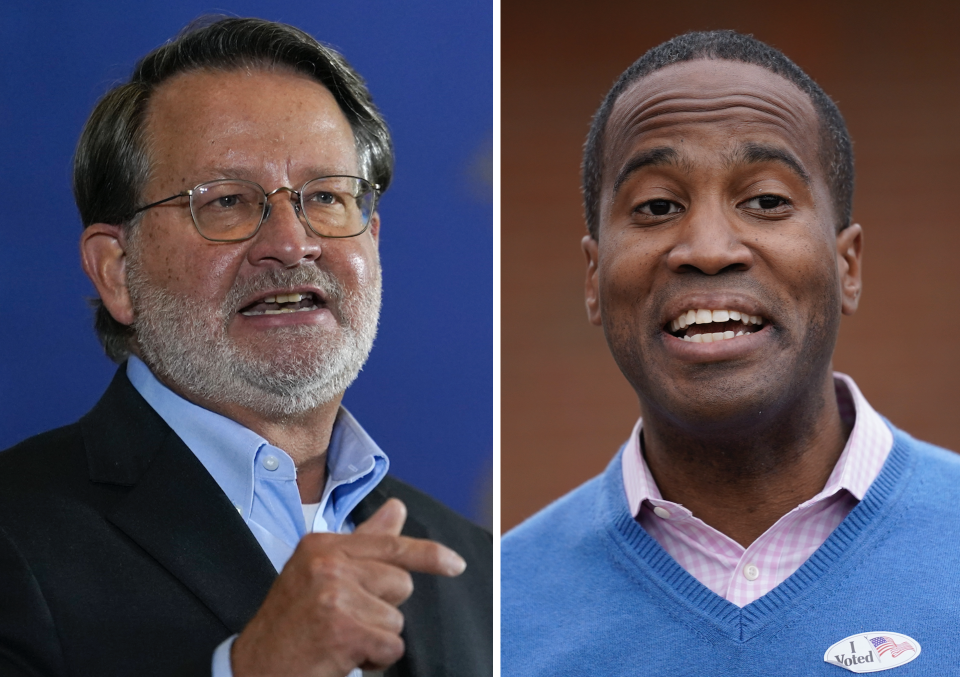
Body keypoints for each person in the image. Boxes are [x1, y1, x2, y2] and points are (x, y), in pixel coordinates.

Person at [0, 17, 491, 677]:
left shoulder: (479, 569)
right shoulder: (16, 533)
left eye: (326, 197)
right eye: (227, 201)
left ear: (372, 239)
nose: (291, 243)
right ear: (117, 269)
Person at [502, 30, 959, 675]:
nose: (709, 248)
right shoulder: (499, 612)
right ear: (593, 280)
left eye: (767, 201)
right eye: (657, 205)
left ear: (846, 265)